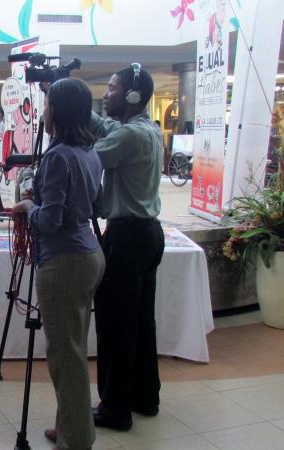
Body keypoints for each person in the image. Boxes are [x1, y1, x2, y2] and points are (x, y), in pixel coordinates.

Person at [12, 78, 105, 450]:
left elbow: (48, 221)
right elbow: (95, 206)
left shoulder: (56, 156)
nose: (44, 112)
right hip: (90, 255)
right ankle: (71, 425)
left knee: (64, 356)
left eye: (47, 105)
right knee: (74, 349)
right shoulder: (91, 153)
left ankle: (76, 440)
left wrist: (28, 206)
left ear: (58, 111)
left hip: (63, 261)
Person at [91, 64, 165, 432]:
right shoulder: (146, 129)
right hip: (148, 234)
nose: (106, 94)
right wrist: (87, 115)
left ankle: (114, 408)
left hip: (126, 238)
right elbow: (107, 129)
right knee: (141, 322)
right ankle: (144, 396)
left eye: (112, 88)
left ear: (133, 96)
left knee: (116, 324)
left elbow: (91, 158)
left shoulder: (129, 138)